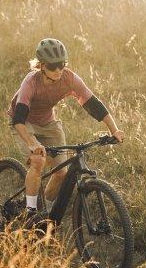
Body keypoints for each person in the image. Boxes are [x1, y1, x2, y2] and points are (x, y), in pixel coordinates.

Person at [8, 38, 124, 225]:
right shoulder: (31, 82)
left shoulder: (69, 79)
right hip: (24, 122)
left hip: (49, 122)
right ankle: (30, 213)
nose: (59, 70)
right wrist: (33, 142)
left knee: (61, 172)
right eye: (54, 66)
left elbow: (92, 104)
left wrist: (114, 130)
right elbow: (18, 120)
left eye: (62, 65)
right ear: (42, 66)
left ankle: (42, 213)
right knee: (38, 160)